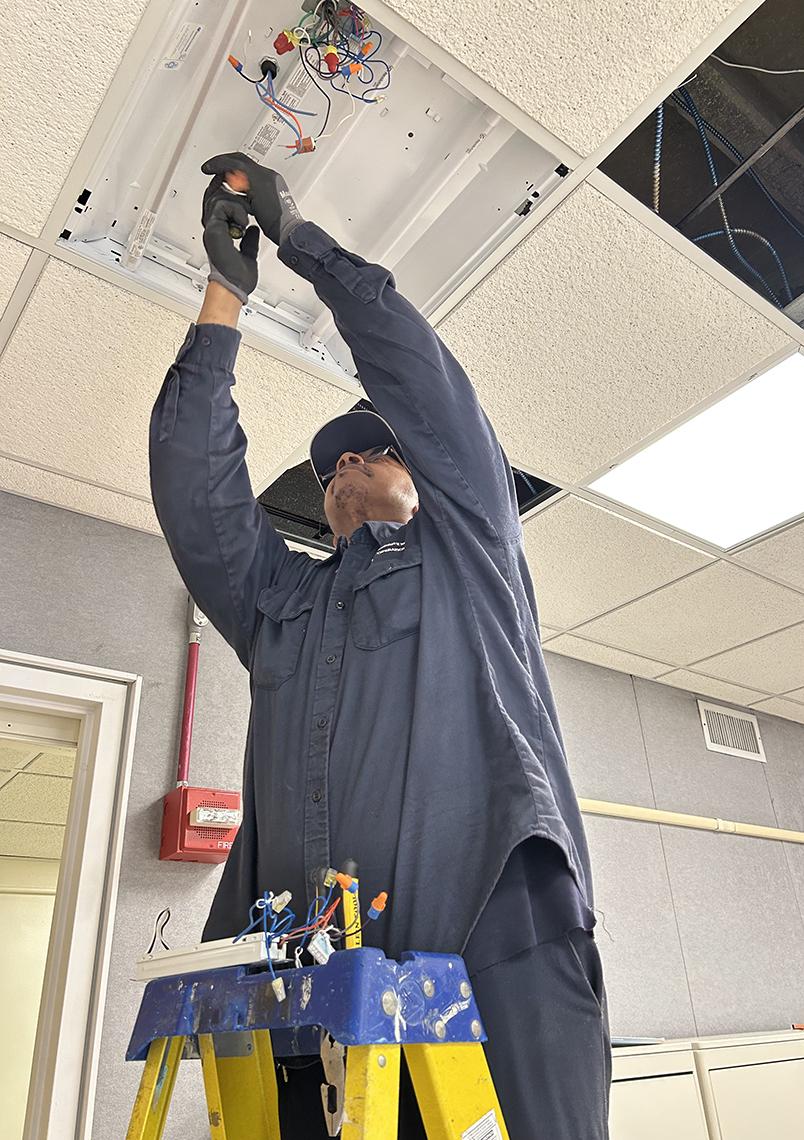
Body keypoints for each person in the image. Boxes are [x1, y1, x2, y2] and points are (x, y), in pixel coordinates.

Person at [150, 151, 611, 1138]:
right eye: (334, 463)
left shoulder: (473, 559)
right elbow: (197, 491)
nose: (350, 460)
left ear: (423, 481)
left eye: (376, 450)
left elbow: (435, 401)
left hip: (495, 948)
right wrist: (224, 298)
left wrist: (306, 247)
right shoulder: (283, 603)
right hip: (314, 991)